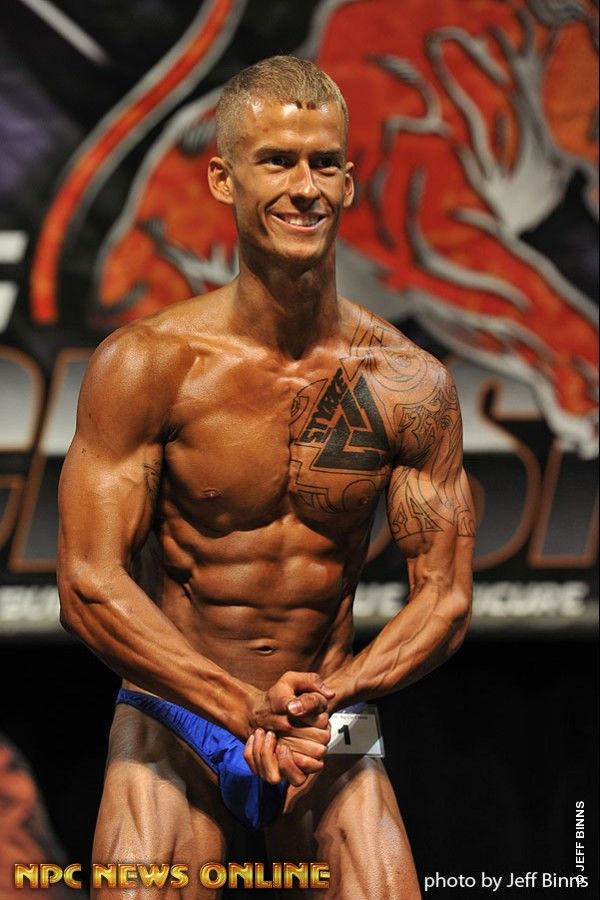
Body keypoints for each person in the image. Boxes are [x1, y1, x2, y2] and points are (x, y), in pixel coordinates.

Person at [57, 55, 475, 899]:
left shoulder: (409, 385)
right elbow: (88, 585)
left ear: (349, 182)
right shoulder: (150, 364)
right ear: (223, 178)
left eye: (325, 163)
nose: (305, 187)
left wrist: (333, 695)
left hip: (331, 719)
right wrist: (236, 704)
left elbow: (446, 599)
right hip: (177, 712)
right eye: (278, 161)